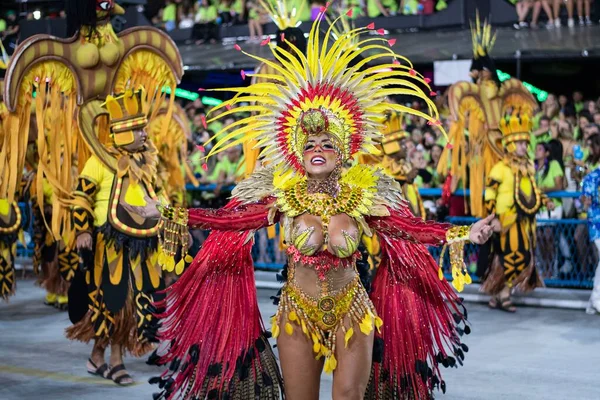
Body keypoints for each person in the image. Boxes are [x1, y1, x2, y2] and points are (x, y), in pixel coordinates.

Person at [130, 12, 493, 400]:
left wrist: (463, 232)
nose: (318, 150)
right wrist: (169, 212)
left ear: (343, 151)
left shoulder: (364, 193)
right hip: (296, 313)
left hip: (352, 310)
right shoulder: (283, 195)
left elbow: (409, 229)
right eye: (310, 145)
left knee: (349, 396)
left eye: (327, 144)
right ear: (297, 153)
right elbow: (228, 221)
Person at [66, 90, 165, 386]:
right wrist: (82, 230)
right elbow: (81, 196)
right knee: (114, 302)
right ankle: (115, 361)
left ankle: (98, 357)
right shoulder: (98, 162)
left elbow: (158, 198)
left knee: (134, 304)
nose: (145, 134)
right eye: (139, 129)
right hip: (108, 245)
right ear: (122, 133)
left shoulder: (148, 166)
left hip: (143, 245)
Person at [479, 110, 548, 312]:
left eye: (525, 143)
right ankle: (503, 294)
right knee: (510, 256)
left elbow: (532, 190)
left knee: (518, 258)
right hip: (504, 220)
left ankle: (499, 294)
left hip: (523, 220)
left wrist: (544, 201)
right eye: (519, 143)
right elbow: (489, 195)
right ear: (509, 144)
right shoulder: (500, 168)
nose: (523, 147)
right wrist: (493, 220)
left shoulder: (529, 168)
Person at [581, 133, 600, 314]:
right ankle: (596, 299)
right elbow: (584, 200)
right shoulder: (592, 176)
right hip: (597, 224)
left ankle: (593, 301)